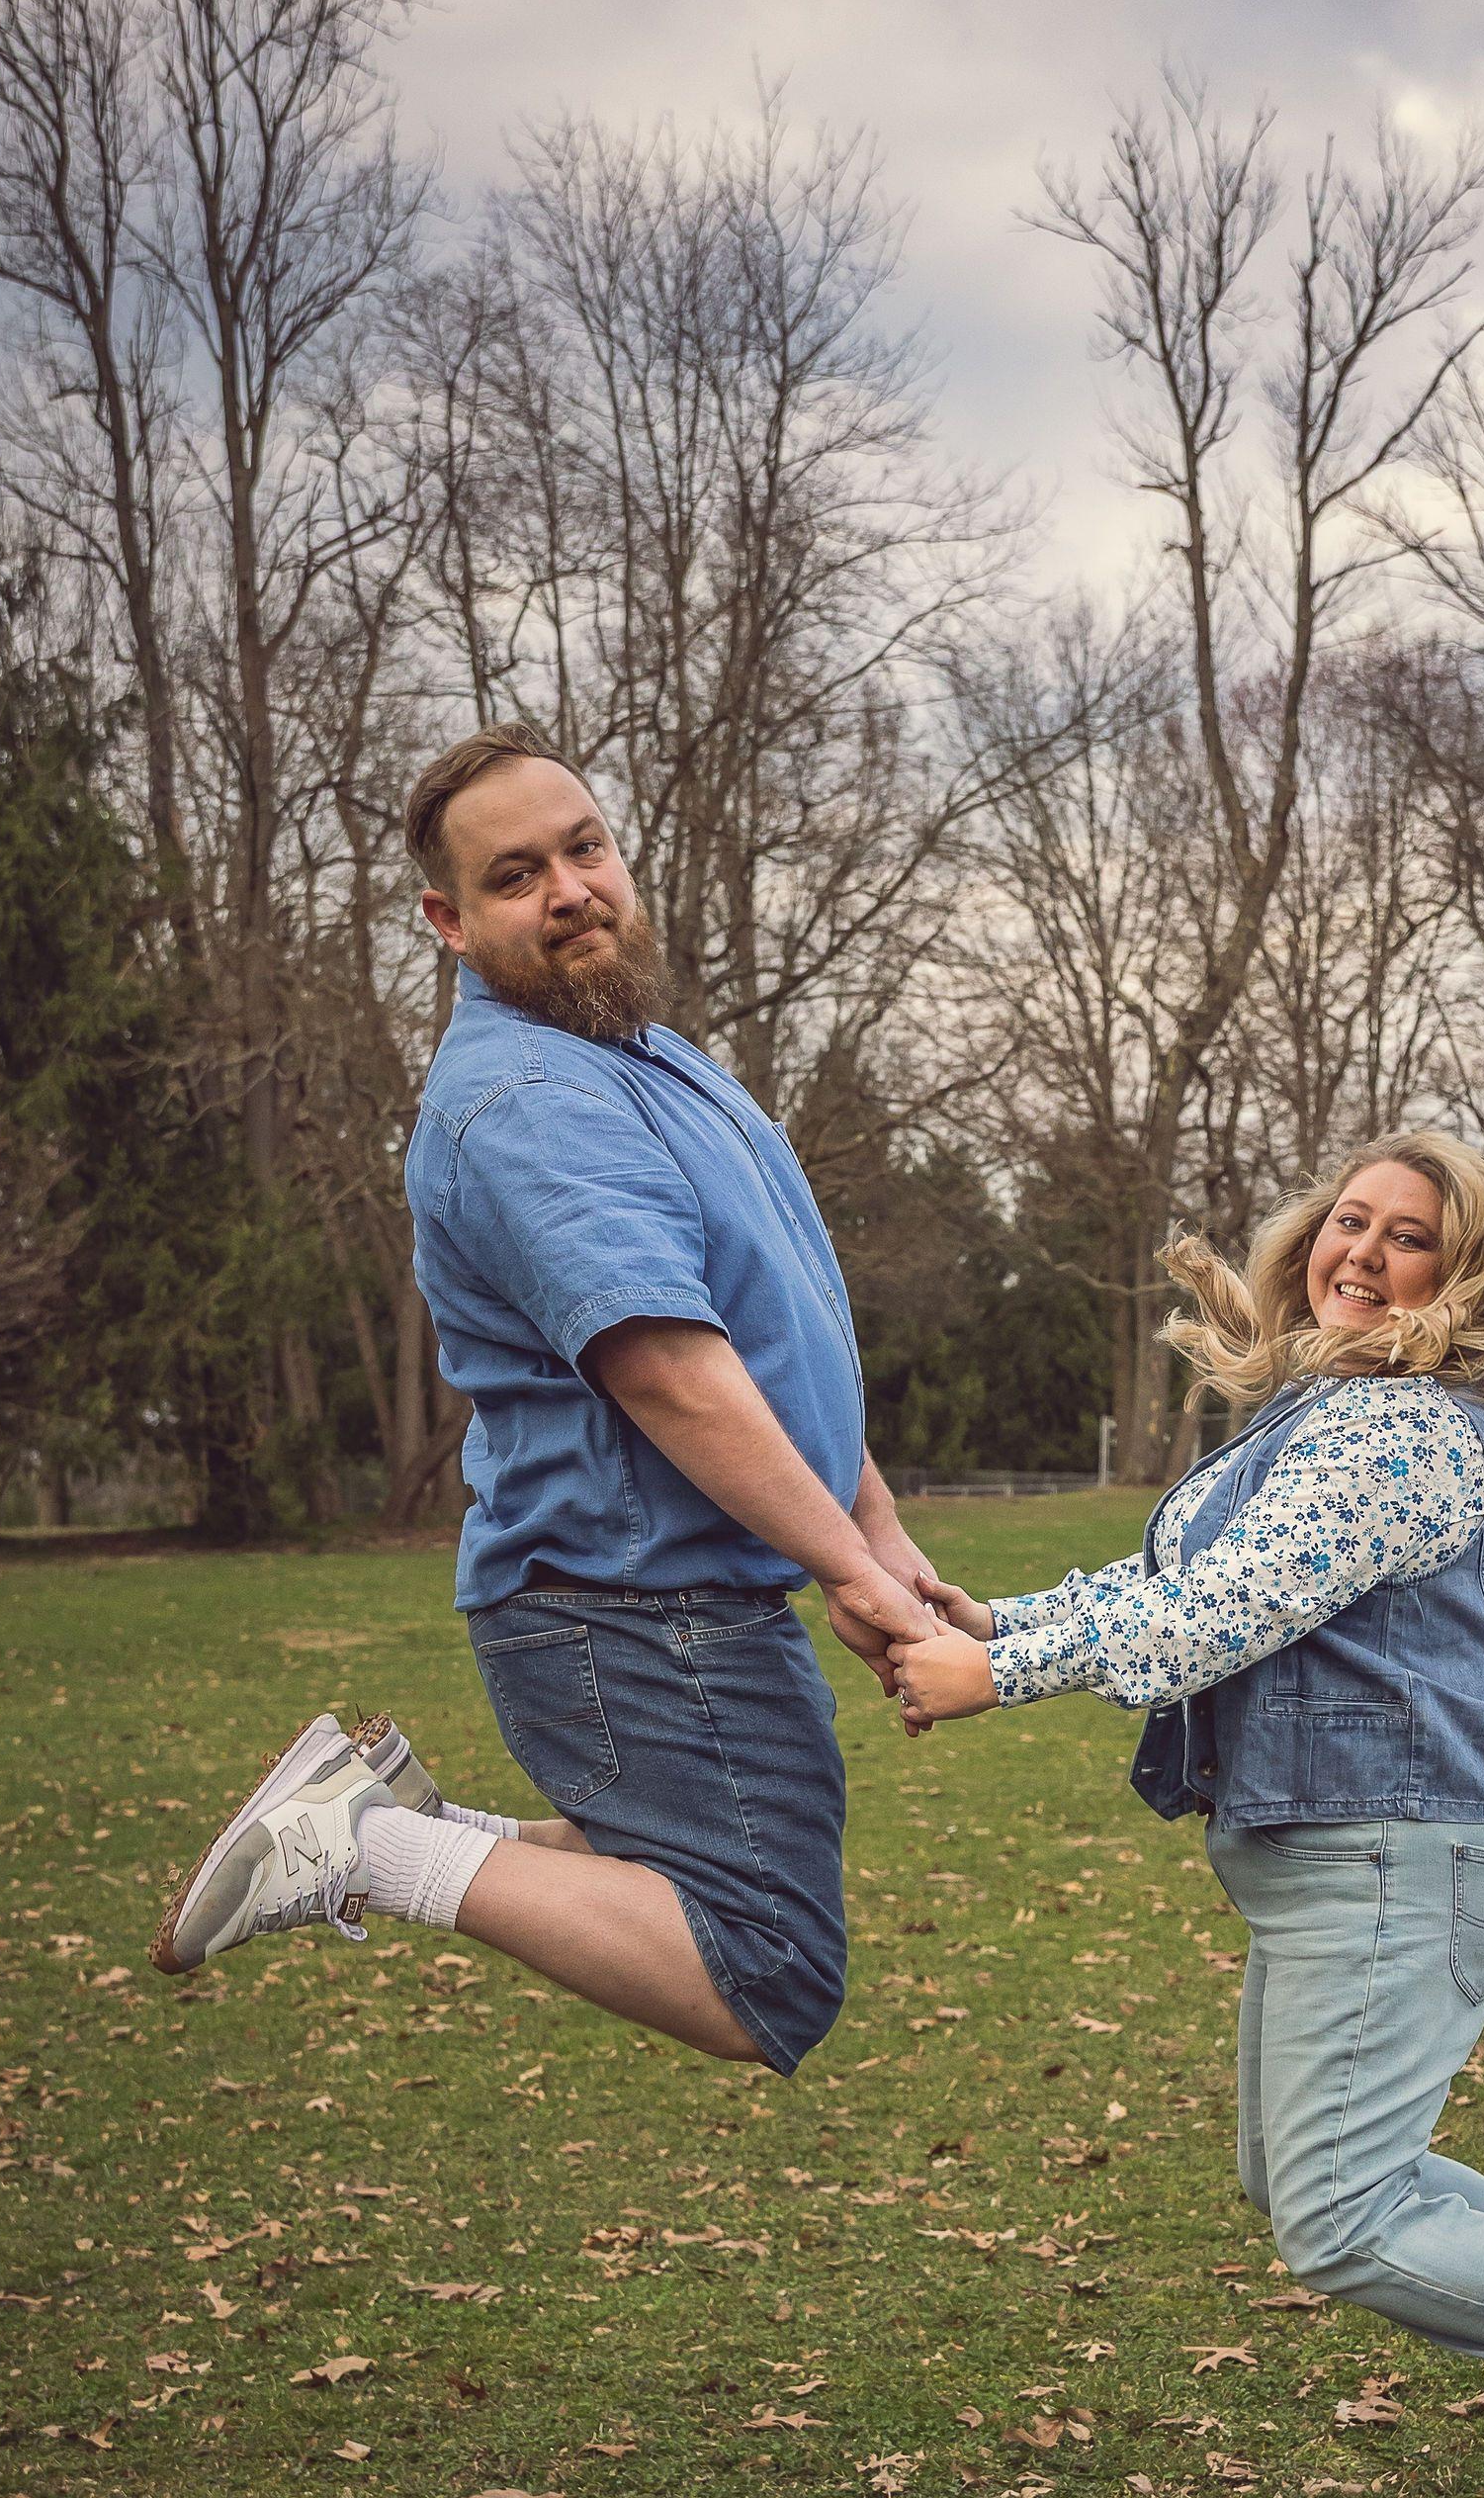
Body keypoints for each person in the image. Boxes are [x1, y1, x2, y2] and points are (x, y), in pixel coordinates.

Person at [884, 1133, 1484, 2498]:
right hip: (1347, 1863)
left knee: (1337, 2218)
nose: (1360, 1253)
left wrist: (994, 1681)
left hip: (1401, 1861)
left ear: (1468, 1273)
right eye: (1348, 1222)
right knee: (1285, 2179)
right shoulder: (1328, 1410)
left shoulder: (1403, 1432)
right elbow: (1179, 1578)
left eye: (1408, 1237)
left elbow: (1221, 1617)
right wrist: (998, 1618)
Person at [149, 726, 952, 2079]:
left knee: (672, 1870)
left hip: (672, 1590)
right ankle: (368, 1845)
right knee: (769, 1973)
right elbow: (671, 1374)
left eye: (585, 848)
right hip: (630, 1600)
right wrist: (845, 1569)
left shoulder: (642, 1054)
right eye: (517, 876)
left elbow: (779, 1329)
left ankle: (385, 1818)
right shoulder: (525, 1094)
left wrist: (872, 1528)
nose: (571, 889)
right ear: (449, 923)